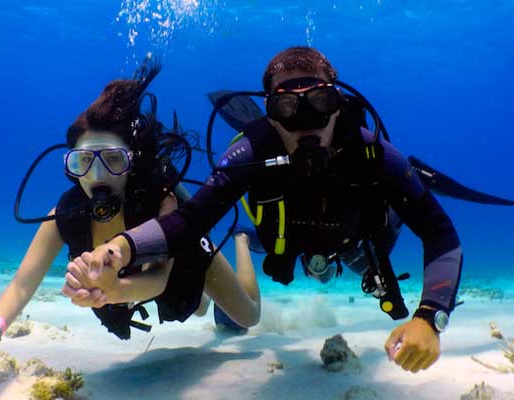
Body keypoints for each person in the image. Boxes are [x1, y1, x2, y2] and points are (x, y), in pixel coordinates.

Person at [81, 47, 466, 374]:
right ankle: (247, 245)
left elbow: (440, 234)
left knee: (364, 266)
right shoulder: (250, 153)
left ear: (337, 105)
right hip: (282, 240)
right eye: (287, 106)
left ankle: (416, 184)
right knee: (252, 257)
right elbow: (190, 220)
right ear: (269, 114)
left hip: (356, 239)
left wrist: (431, 317)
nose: (305, 123)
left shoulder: (373, 153)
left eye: (318, 102)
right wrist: (119, 249)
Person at [0, 59, 260, 398]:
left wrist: (112, 291)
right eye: (83, 162)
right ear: (71, 166)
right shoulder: (66, 214)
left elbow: (158, 280)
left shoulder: (162, 200)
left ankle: (242, 243)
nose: (97, 176)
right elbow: (21, 285)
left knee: (247, 317)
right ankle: (200, 297)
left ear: (132, 161)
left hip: (177, 259)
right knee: (191, 305)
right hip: (143, 280)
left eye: (112, 160)